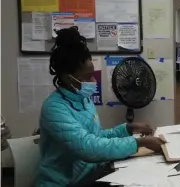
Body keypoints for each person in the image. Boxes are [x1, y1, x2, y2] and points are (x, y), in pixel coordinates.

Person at [36, 27, 166, 187]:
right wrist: (139, 143)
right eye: (87, 76)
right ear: (67, 78)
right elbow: (88, 147)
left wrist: (127, 129)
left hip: (91, 176)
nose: (93, 80)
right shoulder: (54, 108)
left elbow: (96, 137)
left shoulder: (84, 99)